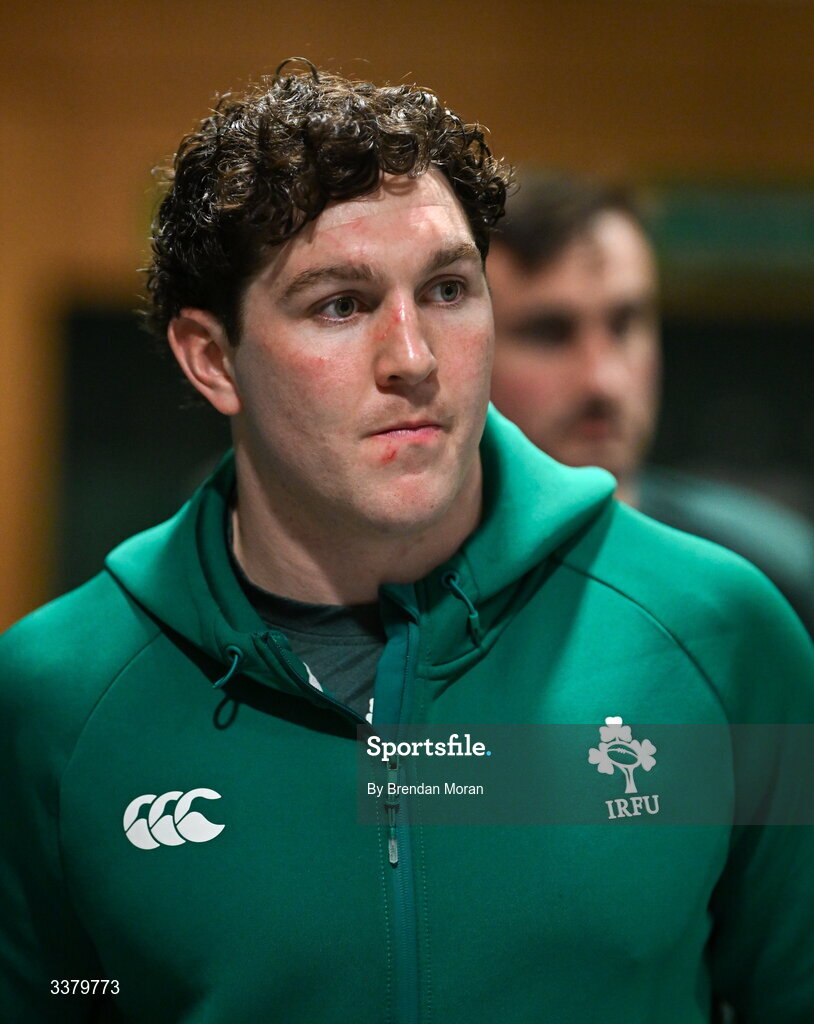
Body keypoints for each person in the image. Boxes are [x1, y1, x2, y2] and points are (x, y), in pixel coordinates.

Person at [1, 62, 813, 1024]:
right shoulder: (55, 696)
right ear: (213, 359)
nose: (414, 358)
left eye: (448, 290)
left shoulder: (717, 635)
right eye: (340, 304)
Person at [488, 172, 814, 633]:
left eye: (625, 324)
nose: (602, 380)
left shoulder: (770, 581)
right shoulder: (408, 589)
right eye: (549, 332)